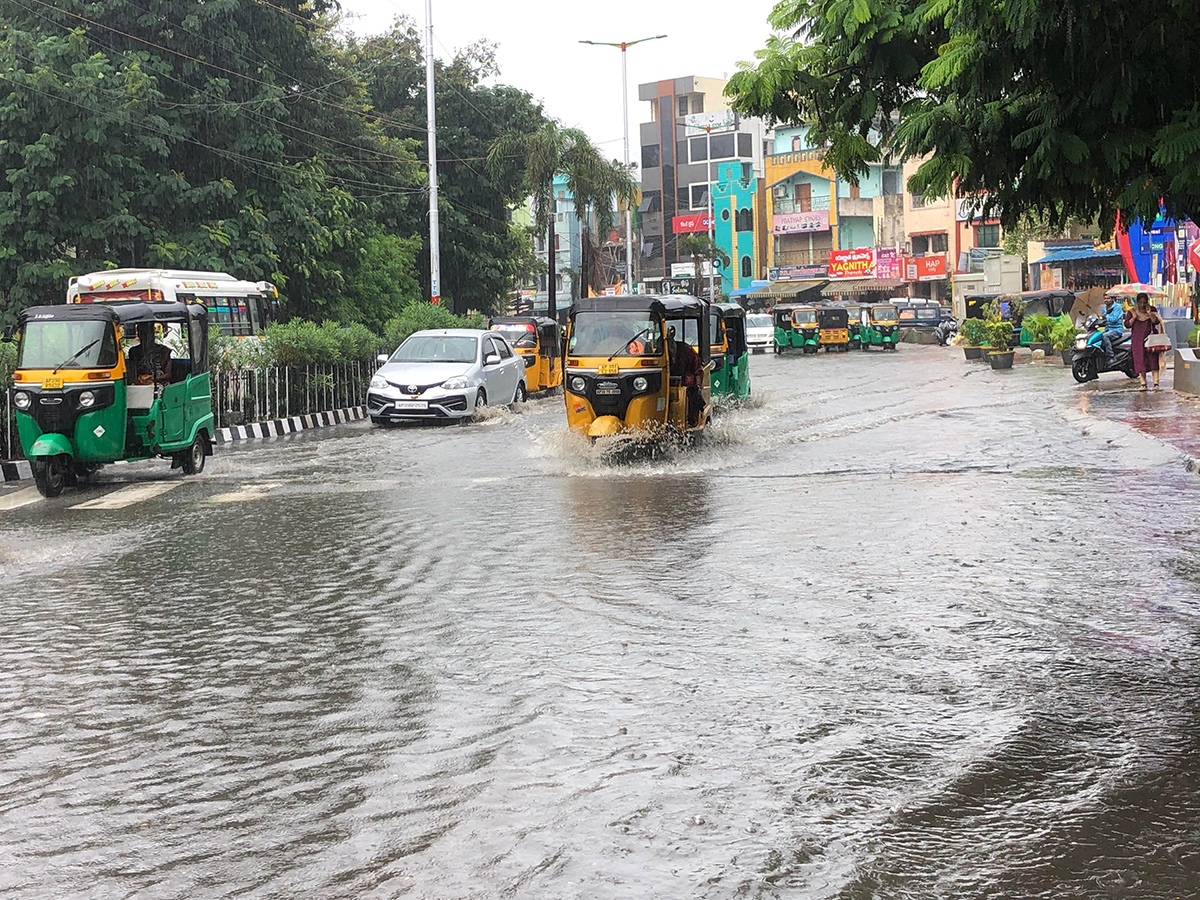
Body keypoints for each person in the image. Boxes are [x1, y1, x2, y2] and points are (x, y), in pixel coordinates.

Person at [1125, 292, 1164, 390]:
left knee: (1153, 360)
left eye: (1144, 302)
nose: (1142, 305)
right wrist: (1134, 317)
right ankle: (1143, 383)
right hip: (1137, 339)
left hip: (1151, 339)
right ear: (1137, 302)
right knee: (1139, 360)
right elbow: (1127, 324)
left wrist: (1149, 313)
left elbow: (1156, 322)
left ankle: (1156, 383)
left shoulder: (1152, 309)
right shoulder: (1132, 311)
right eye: (1140, 302)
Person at [666, 325, 704, 426]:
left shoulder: (685, 349)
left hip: (685, 383)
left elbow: (697, 369)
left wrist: (698, 386)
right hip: (664, 384)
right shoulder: (657, 351)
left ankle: (692, 421)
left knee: (693, 393)